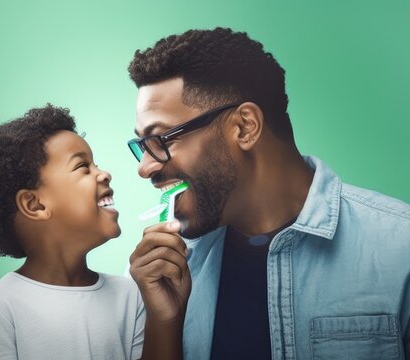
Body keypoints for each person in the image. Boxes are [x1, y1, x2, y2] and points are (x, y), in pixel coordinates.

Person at [125, 27, 410, 359]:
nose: (145, 168)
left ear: (245, 127)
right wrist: (164, 326)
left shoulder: (400, 250)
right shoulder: (168, 274)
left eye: (161, 139)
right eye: (142, 146)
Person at [0, 104, 189, 360]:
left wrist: (165, 319)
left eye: (96, 164)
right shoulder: (1, 304)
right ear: (35, 205)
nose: (105, 174)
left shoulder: (131, 295)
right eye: (82, 167)